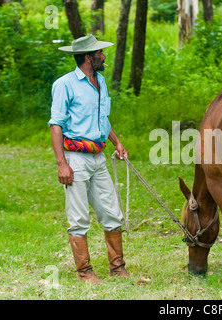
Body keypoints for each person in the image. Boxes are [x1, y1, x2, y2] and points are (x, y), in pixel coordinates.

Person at [49, 35, 129, 284]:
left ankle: (117, 267)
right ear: (88, 57)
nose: (104, 56)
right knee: (79, 216)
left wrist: (116, 142)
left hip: (98, 157)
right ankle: (84, 272)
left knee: (111, 212)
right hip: (76, 158)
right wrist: (62, 163)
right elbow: (56, 125)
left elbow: (102, 118)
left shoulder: (100, 81)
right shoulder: (65, 84)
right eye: (100, 53)